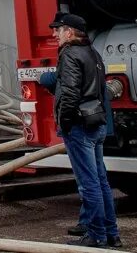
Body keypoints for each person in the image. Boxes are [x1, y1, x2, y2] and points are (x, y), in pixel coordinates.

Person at [50, 13, 120, 249]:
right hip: (97, 123)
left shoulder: (70, 54)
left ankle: (96, 235)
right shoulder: (94, 53)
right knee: (101, 182)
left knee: (88, 184)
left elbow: (70, 92)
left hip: (80, 127)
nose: (54, 34)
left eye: (58, 30)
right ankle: (112, 234)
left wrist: (66, 122)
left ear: (69, 32)